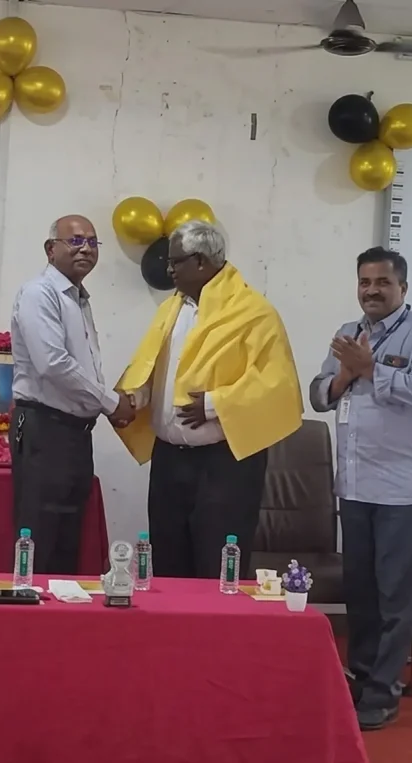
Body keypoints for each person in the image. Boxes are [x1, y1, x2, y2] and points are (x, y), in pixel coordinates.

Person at [113, 221, 302, 579]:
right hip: (169, 460)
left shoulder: (253, 312)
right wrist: (134, 397)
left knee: (217, 568)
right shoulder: (172, 309)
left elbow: (278, 384)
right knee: (168, 565)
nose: (169, 270)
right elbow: (153, 367)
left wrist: (214, 404)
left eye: (175, 262)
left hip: (224, 466)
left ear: (201, 262)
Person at [309, 247, 412, 732]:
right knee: (361, 594)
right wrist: (345, 374)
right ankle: (362, 680)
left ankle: (384, 692)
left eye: (382, 282)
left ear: (402, 288)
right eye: (365, 282)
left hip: (405, 490)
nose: (372, 290)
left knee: (395, 598)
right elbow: (319, 394)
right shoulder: (348, 333)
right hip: (356, 485)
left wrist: (370, 369)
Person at [10, 215, 135, 573]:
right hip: (45, 430)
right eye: (75, 241)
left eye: (92, 242)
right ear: (51, 250)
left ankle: (58, 610)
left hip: (75, 435)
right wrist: (111, 403)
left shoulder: (78, 298)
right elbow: (53, 364)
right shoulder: (40, 293)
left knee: (67, 542)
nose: (86, 249)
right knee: (40, 539)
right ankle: (29, 608)